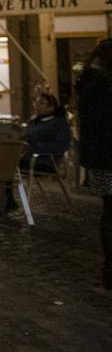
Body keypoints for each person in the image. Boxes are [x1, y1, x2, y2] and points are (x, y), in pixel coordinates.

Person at [75, 39, 112, 290]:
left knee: (108, 211)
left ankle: (109, 267)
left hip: (98, 160)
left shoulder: (86, 84)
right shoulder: (106, 85)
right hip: (109, 156)